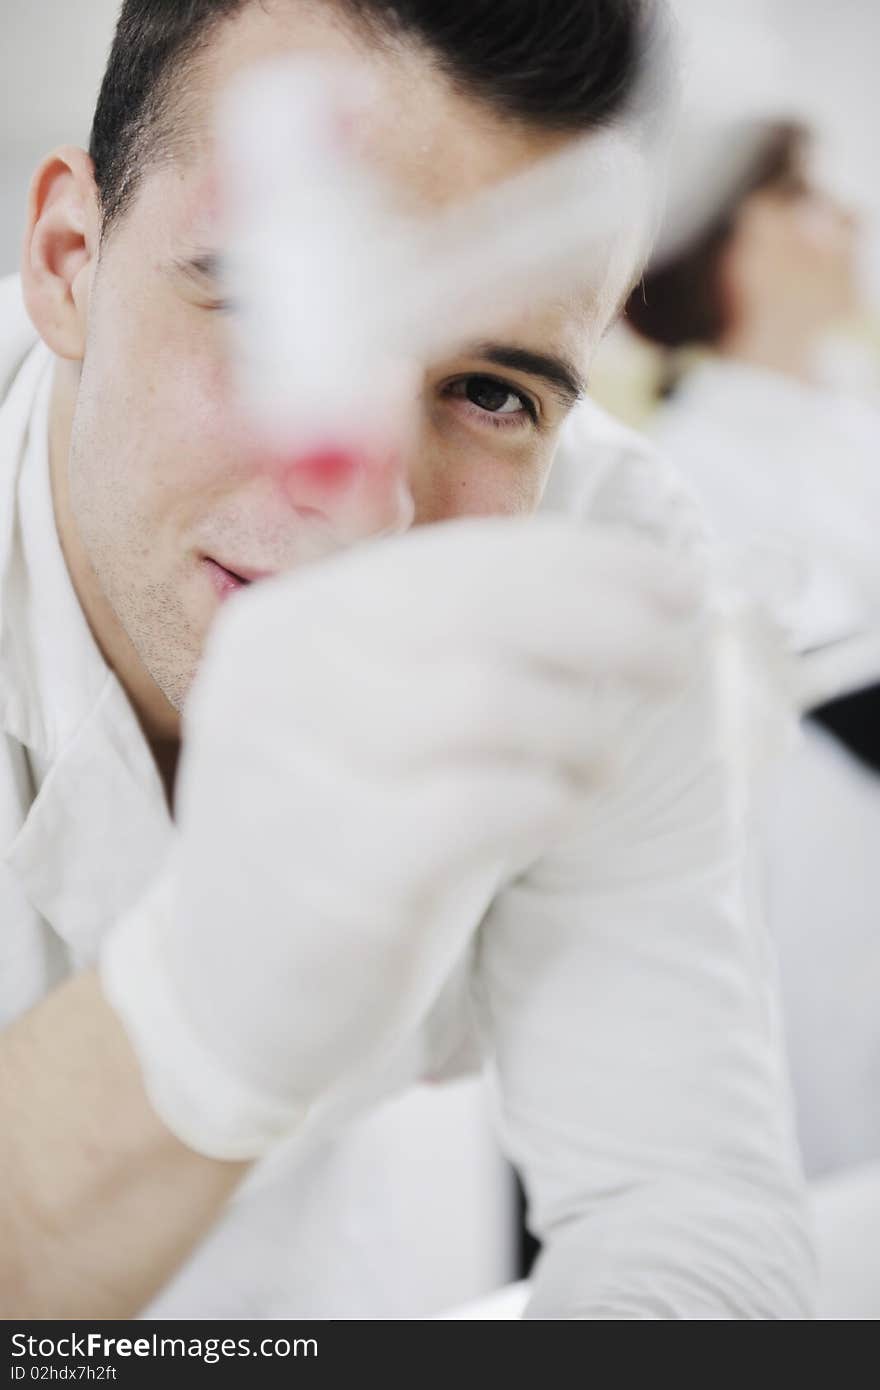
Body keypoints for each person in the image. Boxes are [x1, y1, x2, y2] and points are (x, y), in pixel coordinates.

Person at [0, 1, 811, 1320]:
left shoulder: (602, 560)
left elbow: (686, 1208)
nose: (368, 507)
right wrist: (202, 1002)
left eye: (494, 391)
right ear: (68, 256)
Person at [627, 120, 880, 1179]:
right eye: (807, 202)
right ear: (739, 238)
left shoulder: (851, 425)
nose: (850, 223)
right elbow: (849, 694)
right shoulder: (687, 467)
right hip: (829, 901)